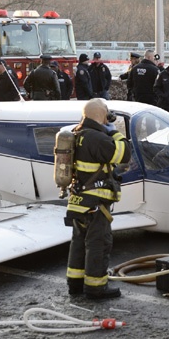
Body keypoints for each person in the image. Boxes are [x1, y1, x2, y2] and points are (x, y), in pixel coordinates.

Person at [65, 98, 131, 299]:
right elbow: (124, 154)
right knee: (98, 242)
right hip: (96, 200)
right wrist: (115, 131)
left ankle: (75, 283)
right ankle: (96, 287)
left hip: (78, 200)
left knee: (79, 241)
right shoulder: (97, 138)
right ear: (100, 115)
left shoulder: (76, 134)